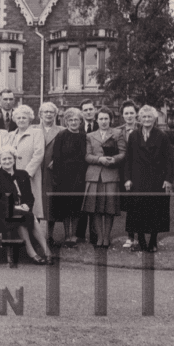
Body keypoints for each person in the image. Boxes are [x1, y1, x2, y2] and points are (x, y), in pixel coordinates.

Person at [0, 146, 52, 264]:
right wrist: (14, 207)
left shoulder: (23, 174)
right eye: (4, 159)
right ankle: (36, 252)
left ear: (14, 159)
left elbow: (30, 197)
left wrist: (27, 205)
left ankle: (44, 252)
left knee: (24, 217)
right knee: (26, 217)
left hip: (22, 212)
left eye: (9, 158)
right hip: (2, 212)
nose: (7, 161)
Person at [124, 105, 174, 253]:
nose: (146, 119)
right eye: (144, 117)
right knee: (137, 210)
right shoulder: (133, 136)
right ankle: (140, 241)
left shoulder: (162, 136)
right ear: (140, 118)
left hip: (156, 178)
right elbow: (128, 159)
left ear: (154, 118)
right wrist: (127, 178)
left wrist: (168, 179)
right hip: (137, 179)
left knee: (155, 210)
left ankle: (153, 241)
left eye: (149, 117)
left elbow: (169, 159)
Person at [8, 104, 51, 259]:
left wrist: (26, 173)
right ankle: (23, 245)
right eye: (18, 117)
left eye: (24, 117)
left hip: (30, 176)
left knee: (32, 207)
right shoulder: (11, 135)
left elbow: (39, 154)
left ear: (30, 119)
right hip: (13, 177)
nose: (21, 120)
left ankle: (38, 244)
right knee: (18, 207)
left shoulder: (36, 133)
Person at [82, 106, 127, 248]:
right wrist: (99, 159)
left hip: (111, 175)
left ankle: (107, 237)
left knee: (109, 208)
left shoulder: (118, 133)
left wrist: (114, 160)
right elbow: (87, 156)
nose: (103, 121)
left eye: (106, 119)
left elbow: (123, 153)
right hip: (94, 175)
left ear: (110, 120)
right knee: (94, 208)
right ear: (97, 120)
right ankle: (99, 237)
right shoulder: (89, 136)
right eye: (100, 119)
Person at [52, 107, 88, 246]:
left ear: (81, 121)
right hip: (64, 176)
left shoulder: (84, 136)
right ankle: (67, 235)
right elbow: (57, 157)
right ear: (66, 121)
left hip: (80, 175)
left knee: (77, 206)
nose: (73, 122)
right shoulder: (61, 135)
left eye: (76, 120)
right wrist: (57, 177)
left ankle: (74, 235)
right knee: (66, 207)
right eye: (71, 120)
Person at [38, 102, 65, 247]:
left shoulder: (62, 131)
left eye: (51, 112)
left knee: (50, 203)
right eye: (45, 112)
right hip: (37, 171)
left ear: (55, 115)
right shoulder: (33, 130)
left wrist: (58, 162)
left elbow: (67, 151)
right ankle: (36, 235)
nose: (48, 114)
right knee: (36, 202)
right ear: (40, 114)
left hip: (52, 172)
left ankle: (50, 235)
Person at [116, 100, 140, 249]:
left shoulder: (143, 128)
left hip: (139, 172)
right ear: (122, 115)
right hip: (122, 172)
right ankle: (130, 237)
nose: (129, 116)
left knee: (139, 204)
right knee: (129, 206)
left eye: (132, 113)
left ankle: (140, 237)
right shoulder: (118, 131)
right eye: (126, 113)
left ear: (136, 114)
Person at [76, 98, 99, 244]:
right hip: (79, 170)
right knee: (80, 201)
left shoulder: (101, 125)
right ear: (81, 112)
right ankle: (79, 234)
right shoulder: (77, 127)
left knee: (94, 202)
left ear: (95, 110)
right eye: (85, 110)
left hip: (96, 168)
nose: (88, 112)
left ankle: (94, 234)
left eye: (90, 109)